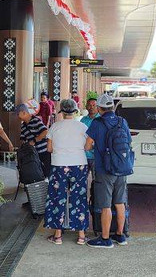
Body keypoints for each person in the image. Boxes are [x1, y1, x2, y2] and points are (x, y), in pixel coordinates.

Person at [85, 94, 130, 248]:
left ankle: (105, 239)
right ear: (112, 107)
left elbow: (87, 145)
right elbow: (128, 142)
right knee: (120, 203)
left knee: (105, 205)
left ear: (99, 108)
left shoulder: (97, 123)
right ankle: (120, 235)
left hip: (104, 169)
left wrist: (94, 146)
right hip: (122, 168)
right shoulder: (122, 121)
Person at [44, 99, 89, 245]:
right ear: (75, 111)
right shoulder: (82, 127)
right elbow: (88, 146)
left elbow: (49, 149)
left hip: (59, 164)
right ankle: (81, 235)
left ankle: (58, 236)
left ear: (62, 112)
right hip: (79, 165)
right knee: (79, 198)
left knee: (58, 197)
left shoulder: (54, 127)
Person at [17, 99, 50, 178]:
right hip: (34, 153)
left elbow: (45, 132)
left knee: (47, 171)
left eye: (18, 113)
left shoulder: (36, 120)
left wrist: (34, 140)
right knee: (38, 171)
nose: (17, 116)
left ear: (24, 112)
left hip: (44, 151)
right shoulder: (23, 125)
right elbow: (23, 138)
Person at [80, 98, 99, 170]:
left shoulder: (101, 120)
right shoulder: (83, 120)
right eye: (89, 105)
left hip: (97, 156)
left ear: (98, 106)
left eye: (94, 105)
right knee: (82, 179)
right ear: (86, 106)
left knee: (97, 180)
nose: (91, 107)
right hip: (84, 156)